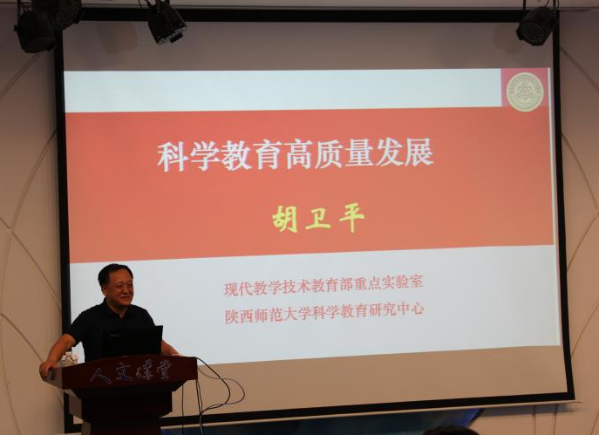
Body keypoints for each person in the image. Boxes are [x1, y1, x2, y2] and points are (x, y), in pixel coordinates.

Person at [39, 263, 178, 379]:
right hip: (100, 388)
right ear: (104, 289)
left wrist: (177, 357)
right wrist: (51, 360)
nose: (126, 290)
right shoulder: (89, 317)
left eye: (130, 285)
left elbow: (160, 345)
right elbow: (66, 341)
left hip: (140, 388)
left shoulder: (141, 315)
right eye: (119, 286)